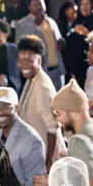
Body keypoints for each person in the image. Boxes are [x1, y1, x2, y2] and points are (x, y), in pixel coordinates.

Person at [0, 87, 48, 186]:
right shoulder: (0, 135)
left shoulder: (31, 140)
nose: (0, 113)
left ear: (17, 108)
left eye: (6, 107)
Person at [16, 36, 63, 168]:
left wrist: (48, 163)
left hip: (46, 159)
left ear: (39, 60)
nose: (23, 64)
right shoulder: (31, 79)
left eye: (29, 60)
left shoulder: (42, 85)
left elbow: (52, 128)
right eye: (20, 60)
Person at [15, 0, 67, 89]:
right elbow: (21, 46)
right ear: (29, 8)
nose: (39, 7)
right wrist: (37, 27)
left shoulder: (51, 21)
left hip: (57, 70)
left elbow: (59, 40)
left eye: (41, 4)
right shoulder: (22, 24)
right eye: (35, 5)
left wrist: (61, 42)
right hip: (41, 70)